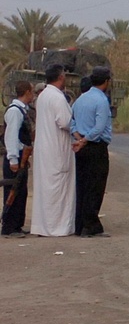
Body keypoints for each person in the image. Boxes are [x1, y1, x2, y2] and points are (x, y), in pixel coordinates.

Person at [30, 64, 76, 237]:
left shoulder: (43, 96)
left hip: (44, 149)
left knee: (46, 188)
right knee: (58, 188)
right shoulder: (57, 98)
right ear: (61, 77)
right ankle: (58, 227)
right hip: (56, 149)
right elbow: (65, 122)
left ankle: (43, 225)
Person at [71, 66, 113, 237]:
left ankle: (80, 224)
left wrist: (78, 138)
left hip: (81, 148)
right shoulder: (101, 101)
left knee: (82, 185)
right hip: (95, 146)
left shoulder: (80, 100)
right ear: (106, 82)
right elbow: (99, 127)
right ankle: (91, 225)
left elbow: (71, 122)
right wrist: (85, 140)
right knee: (95, 186)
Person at [2, 81, 34, 238]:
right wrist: (13, 159)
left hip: (22, 155)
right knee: (13, 192)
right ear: (27, 92)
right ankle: (9, 226)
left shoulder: (22, 110)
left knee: (21, 191)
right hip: (15, 157)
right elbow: (12, 136)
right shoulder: (15, 112)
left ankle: (17, 225)